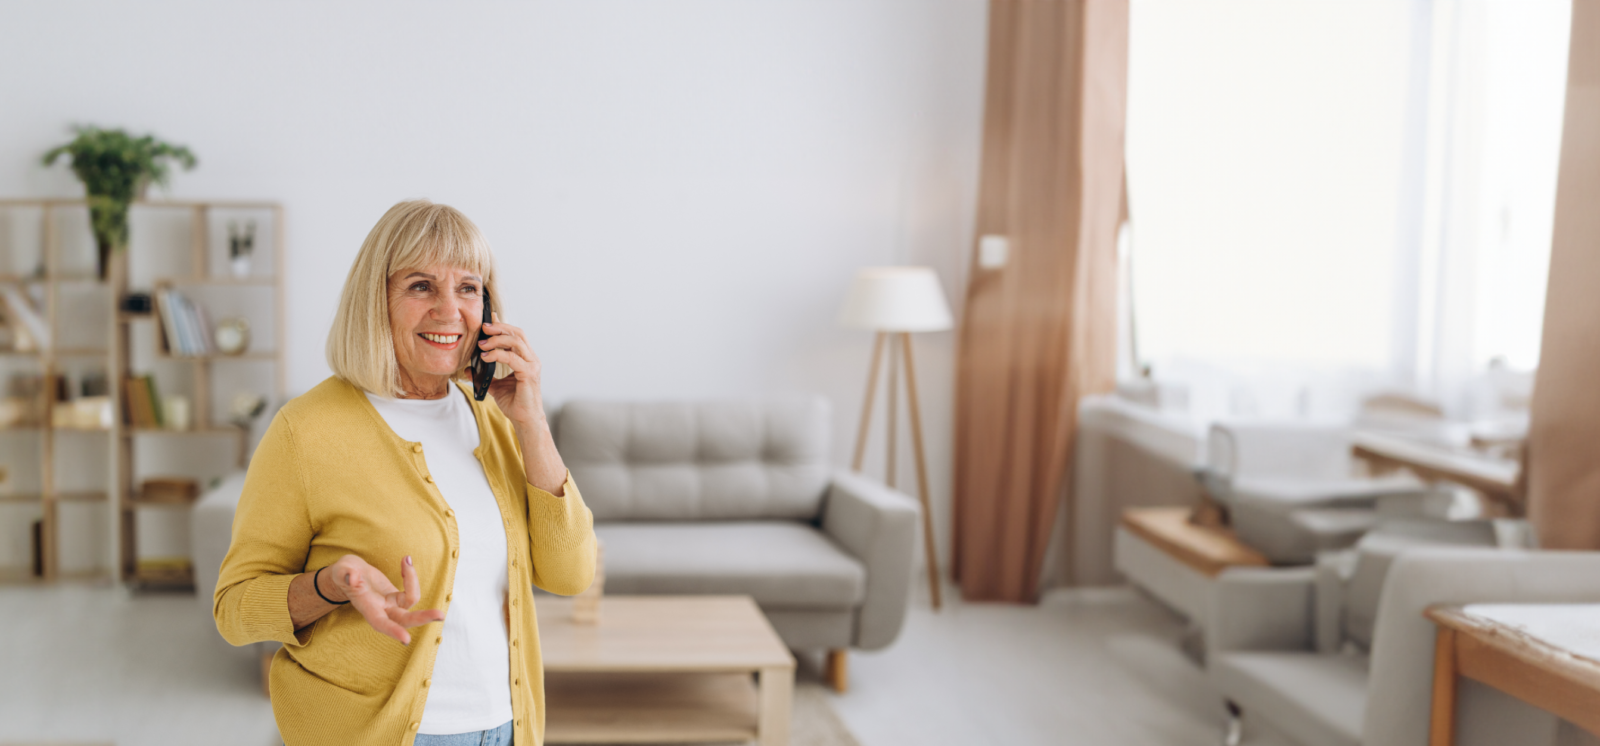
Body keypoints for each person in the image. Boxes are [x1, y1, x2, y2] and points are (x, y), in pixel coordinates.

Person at [214, 199, 596, 746]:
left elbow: (570, 575)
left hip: (509, 728)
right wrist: (331, 586)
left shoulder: (492, 415)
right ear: (377, 299)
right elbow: (235, 609)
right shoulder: (306, 430)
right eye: (421, 286)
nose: (450, 311)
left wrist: (532, 422)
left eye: (469, 288)